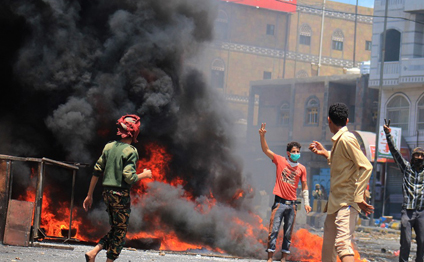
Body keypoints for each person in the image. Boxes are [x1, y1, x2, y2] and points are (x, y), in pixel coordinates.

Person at [308, 102, 374, 262]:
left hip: (347, 202)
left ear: (329, 120)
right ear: (347, 120)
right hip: (335, 202)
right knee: (328, 244)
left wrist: (358, 197)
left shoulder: (347, 139)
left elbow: (366, 166)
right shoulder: (340, 140)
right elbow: (343, 163)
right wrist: (325, 153)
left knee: (342, 244)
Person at [83, 114, 152, 262]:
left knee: (116, 229)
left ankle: (94, 252)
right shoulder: (131, 151)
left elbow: (96, 171)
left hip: (107, 194)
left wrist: (89, 195)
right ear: (134, 132)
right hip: (120, 195)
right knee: (120, 233)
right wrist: (144, 175)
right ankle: (107, 259)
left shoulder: (108, 146)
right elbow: (130, 177)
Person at [259, 123, 311, 262]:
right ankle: (270, 258)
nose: (296, 154)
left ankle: (283, 259)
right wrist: (262, 136)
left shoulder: (302, 168)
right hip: (279, 203)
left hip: (292, 205)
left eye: (298, 151)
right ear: (288, 153)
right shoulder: (280, 161)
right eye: (293, 151)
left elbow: (305, 185)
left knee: (288, 233)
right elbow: (266, 150)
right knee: (274, 230)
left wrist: (307, 202)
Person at [383, 119, 424, 262]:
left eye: (421, 156)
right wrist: (388, 135)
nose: (419, 158)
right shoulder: (407, 168)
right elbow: (395, 152)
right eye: (416, 155)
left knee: (422, 243)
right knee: (406, 242)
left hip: (422, 212)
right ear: (412, 157)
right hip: (407, 211)